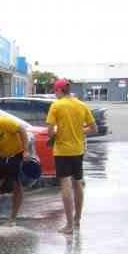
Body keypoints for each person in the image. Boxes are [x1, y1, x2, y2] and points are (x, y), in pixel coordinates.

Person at [46, 79, 98, 234]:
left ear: (59, 90)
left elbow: (50, 132)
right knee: (78, 184)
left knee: (65, 185)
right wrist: (80, 131)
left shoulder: (56, 106)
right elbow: (94, 128)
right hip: (77, 150)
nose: (55, 95)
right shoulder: (81, 105)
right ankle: (77, 220)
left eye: (55, 92)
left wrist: (56, 133)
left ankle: (68, 226)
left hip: (62, 151)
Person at [0, 115, 31, 226]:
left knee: (16, 185)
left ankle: (12, 218)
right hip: (2, 157)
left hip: (16, 154)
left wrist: (26, 151)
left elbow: (22, 129)